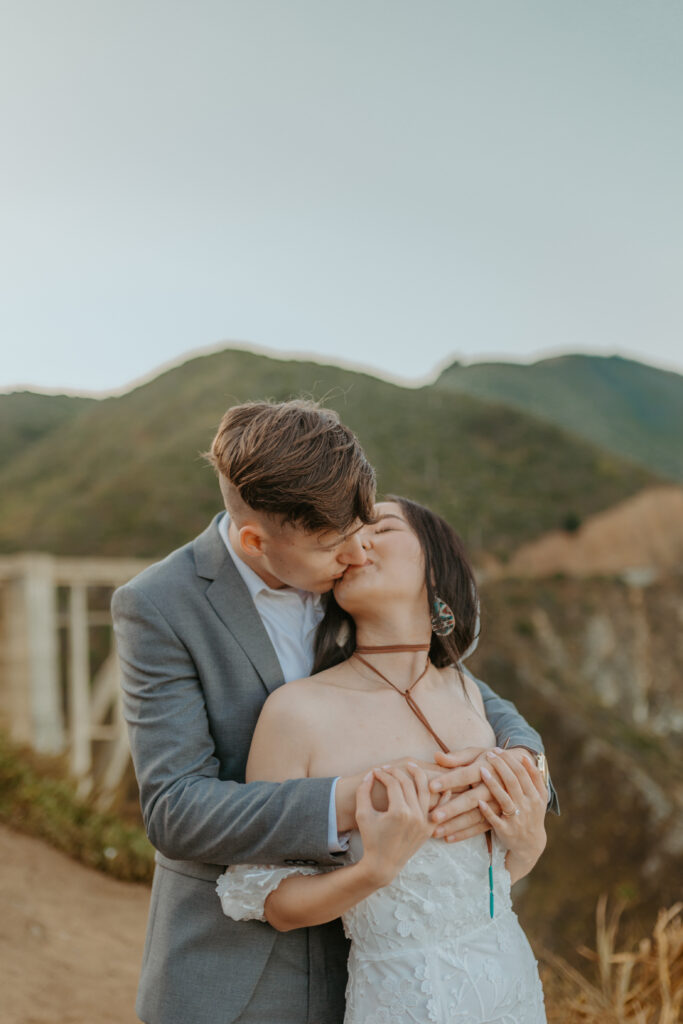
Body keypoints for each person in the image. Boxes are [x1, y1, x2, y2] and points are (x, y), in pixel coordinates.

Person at [112, 399, 557, 1024]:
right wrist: (365, 796)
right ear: (255, 543)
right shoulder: (159, 606)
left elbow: (461, 690)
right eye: (336, 545)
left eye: (366, 530)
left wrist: (522, 765)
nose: (356, 553)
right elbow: (174, 808)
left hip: (378, 966)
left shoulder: (347, 580)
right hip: (240, 969)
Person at [217, 496, 549, 1023]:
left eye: (382, 527)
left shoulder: (468, 694)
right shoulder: (297, 712)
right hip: (405, 999)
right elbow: (265, 896)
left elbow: (482, 881)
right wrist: (375, 871)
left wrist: (529, 846)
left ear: (437, 566)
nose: (356, 542)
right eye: (347, 533)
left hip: (509, 983)